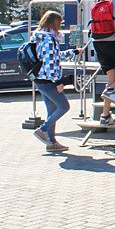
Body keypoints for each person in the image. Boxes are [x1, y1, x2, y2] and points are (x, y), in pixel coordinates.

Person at [31, 10, 82, 153]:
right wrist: (58, 81)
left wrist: (73, 52)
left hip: (39, 79)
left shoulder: (39, 37)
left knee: (52, 110)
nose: (60, 26)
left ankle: (51, 142)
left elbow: (54, 56)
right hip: (47, 80)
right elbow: (50, 63)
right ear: (54, 23)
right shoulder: (49, 39)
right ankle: (43, 130)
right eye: (59, 23)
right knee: (64, 106)